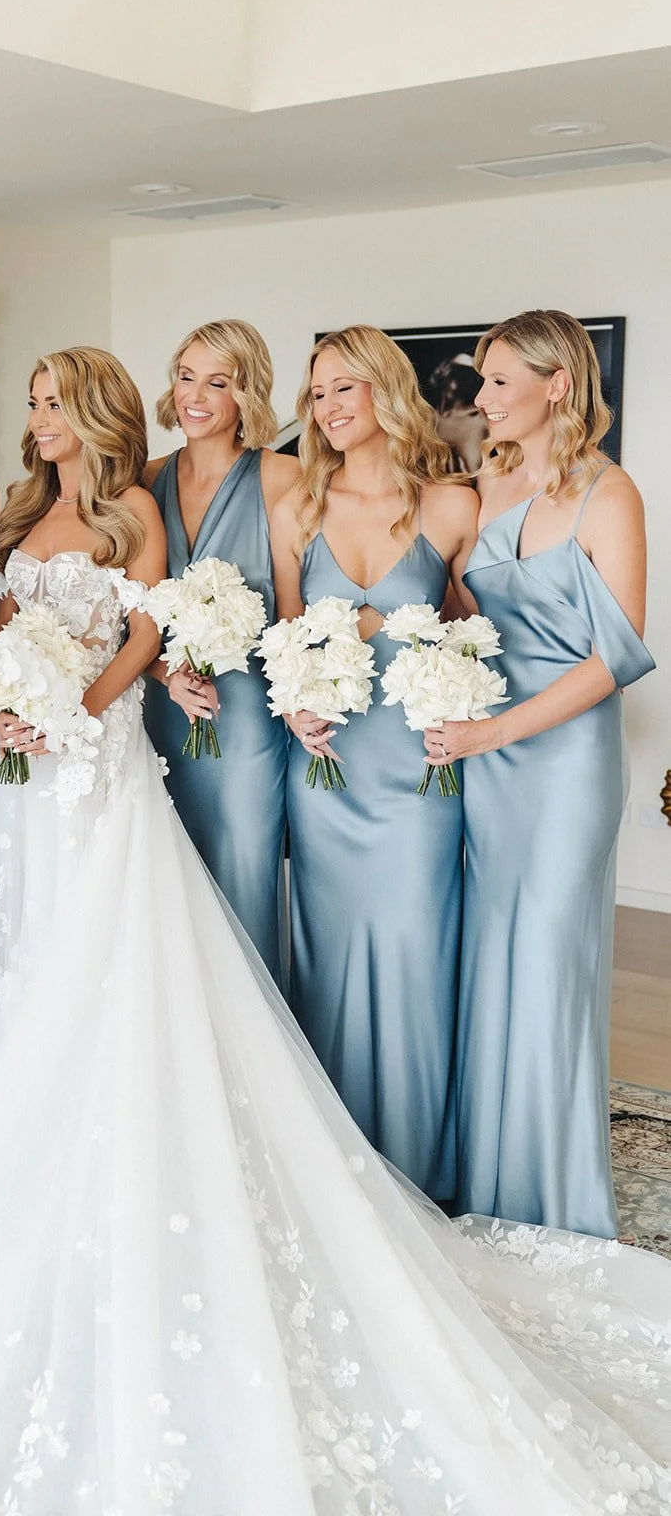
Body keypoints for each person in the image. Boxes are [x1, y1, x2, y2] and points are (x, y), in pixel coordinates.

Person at [0, 345, 670, 1516]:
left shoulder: (140, 515)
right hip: (11, 771)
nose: (32, 417)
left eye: (53, 403)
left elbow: (149, 638)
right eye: (33, 404)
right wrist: (11, 691)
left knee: (120, 958)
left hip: (98, 760)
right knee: (11, 960)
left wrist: (72, 704)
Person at [424, 309, 654, 1238]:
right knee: (488, 961)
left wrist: (496, 732)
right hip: (484, 755)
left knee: (550, 964)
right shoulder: (482, 484)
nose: (481, 401)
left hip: (561, 765)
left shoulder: (611, 493)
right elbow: (450, 608)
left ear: (557, 384)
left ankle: (554, 1201)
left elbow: (620, 656)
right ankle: (486, 1180)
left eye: (497, 383)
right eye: (481, 383)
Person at [270, 326, 478, 1200]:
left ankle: (417, 1171)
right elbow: (283, 640)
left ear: (387, 391)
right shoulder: (296, 512)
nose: (328, 408)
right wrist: (296, 709)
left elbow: (476, 635)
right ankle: (334, 1173)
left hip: (417, 777)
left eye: (344, 388)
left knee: (414, 957)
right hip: (327, 776)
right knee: (325, 959)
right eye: (317, 394)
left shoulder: (451, 507)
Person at [143, 319, 298, 984]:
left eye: (218, 381)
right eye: (186, 377)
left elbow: (293, 617)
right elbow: (125, 617)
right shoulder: (143, 479)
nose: (195, 396)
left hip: (244, 724)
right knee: (160, 883)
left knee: (241, 876)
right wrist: (162, 671)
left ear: (247, 392)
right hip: (156, 712)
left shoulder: (283, 478)